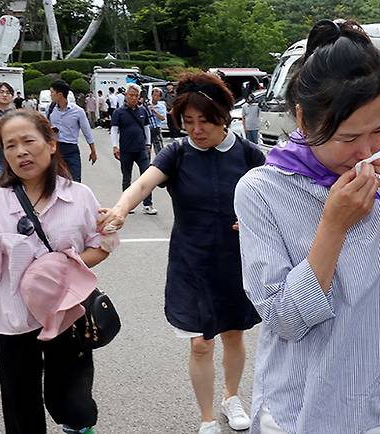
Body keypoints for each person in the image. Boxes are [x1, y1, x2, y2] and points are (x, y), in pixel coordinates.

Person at [234, 20, 380, 434]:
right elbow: (285, 321)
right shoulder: (261, 190)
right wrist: (333, 226)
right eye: (348, 137)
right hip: (295, 409)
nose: (367, 151)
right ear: (303, 118)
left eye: (379, 129)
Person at [99, 72, 265, 434]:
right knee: (201, 343)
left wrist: (256, 222)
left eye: (204, 120)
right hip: (192, 262)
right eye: (188, 121)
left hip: (235, 261)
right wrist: (121, 208)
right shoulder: (177, 153)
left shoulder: (249, 153)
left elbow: (274, 196)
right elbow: (143, 183)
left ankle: (231, 396)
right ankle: (207, 417)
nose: (196, 129)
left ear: (223, 115)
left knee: (234, 335)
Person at [0, 109, 115, 434]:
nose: (20, 152)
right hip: (15, 322)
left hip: (69, 315)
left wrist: (61, 266)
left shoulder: (79, 196)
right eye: (10, 145)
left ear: (51, 143)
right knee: (21, 409)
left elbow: (101, 246)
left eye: (28, 141)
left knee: (72, 404)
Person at [110, 83, 157, 215]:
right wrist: (115, 146)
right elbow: (114, 130)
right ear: (126, 95)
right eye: (131, 95)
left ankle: (148, 204)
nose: (134, 98)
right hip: (126, 149)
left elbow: (147, 128)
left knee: (147, 177)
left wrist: (148, 145)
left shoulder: (143, 111)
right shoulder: (119, 112)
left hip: (141, 149)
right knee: (127, 177)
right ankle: (127, 204)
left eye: (136, 95)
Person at [48, 79, 97, 183]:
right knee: (56, 182)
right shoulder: (50, 109)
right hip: (55, 149)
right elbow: (44, 126)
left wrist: (93, 151)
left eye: (52, 92)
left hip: (71, 149)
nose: (50, 95)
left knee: (75, 181)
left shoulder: (78, 111)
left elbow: (87, 131)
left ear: (60, 94)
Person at [146, 87, 167, 156]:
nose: (155, 97)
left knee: (159, 149)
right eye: (154, 95)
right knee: (147, 149)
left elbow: (162, 118)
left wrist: (154, 111)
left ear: (160, 97)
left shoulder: (161, 106)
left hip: (156, 128)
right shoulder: (146, 104)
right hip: (147, 129)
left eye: (157, 96)